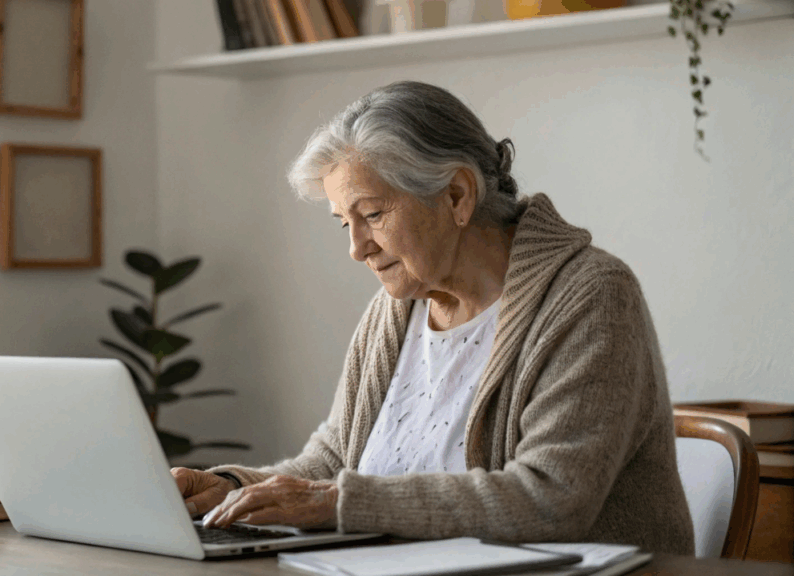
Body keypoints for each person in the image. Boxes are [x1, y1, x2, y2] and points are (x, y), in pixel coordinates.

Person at [171, 80, 695, 554]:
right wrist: (234, 488)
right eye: (343, 223)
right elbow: (334, 461)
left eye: (373, 215)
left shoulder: (590, 296)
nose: (357, 248)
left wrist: (339, 504)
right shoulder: (396, 308)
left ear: (457, 195)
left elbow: (550, 498)